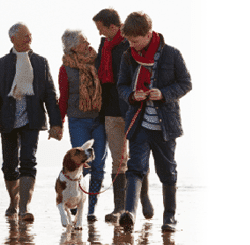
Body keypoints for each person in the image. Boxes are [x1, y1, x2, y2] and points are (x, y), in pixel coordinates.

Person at [116, 12, 192, 232]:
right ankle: (129, 213)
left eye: (136, 41)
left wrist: (164, 93)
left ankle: (169, 218)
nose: (132, 45)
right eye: (129, 41)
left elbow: (186, 84)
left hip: (165, 126)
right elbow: (122, 86)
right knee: (135, 169)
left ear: (148, 34)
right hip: (138, 124)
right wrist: (132, 94)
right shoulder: (128, 56)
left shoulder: (172, 54)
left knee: (167, 172)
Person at [0, 22, 63, 221]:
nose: (29, 39)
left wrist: (56, 123)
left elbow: (50, 94)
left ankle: (24, 207)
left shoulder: (40, 62)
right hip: (8, 120)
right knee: (9, 165)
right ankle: (14, 200)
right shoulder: (1, 64)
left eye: (30, 35)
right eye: (25, 36)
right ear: (13, 39)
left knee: (28, 161)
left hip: (32, 118)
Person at [92, 8, 153, 223]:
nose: (99, 32)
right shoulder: (103, 46)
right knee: (118, 159)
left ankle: (143, 197)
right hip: (110, 109)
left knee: (136, 156)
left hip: (132, 108)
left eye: (101, 28)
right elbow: (100, 74)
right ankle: (119, 207)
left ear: (113, 27)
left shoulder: (131, 44)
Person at [58, 29, 106, 222]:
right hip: (77, 120)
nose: (87, 43)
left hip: (99, 120)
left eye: (86, 40)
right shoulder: (66, 67)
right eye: (82, 41)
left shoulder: (98, 60)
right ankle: (77, 206)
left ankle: (91, 209)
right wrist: (59, 122)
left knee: (99, 165)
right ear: (72, 47)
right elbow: (63, 97)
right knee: (82, 165)